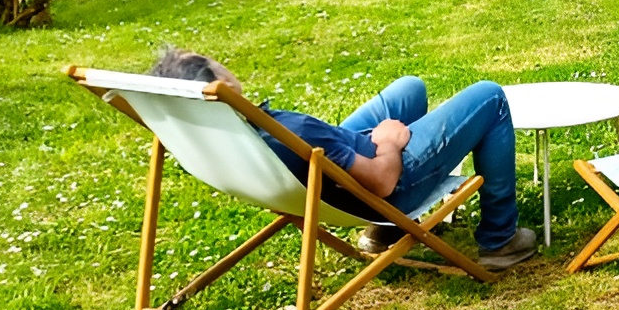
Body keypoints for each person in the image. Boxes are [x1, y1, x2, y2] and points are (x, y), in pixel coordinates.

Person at [147, 47, 538, 271]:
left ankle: (387, 233)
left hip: (322, 175)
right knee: (489, 96)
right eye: (215, 61)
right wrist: (387, 143)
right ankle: (500, 240)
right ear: (221, 84)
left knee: (409, 89)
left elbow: (318, 146)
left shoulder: (219, 139)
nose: (223, 62)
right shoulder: (293, 133)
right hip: (379, 185)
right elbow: (383, 180)